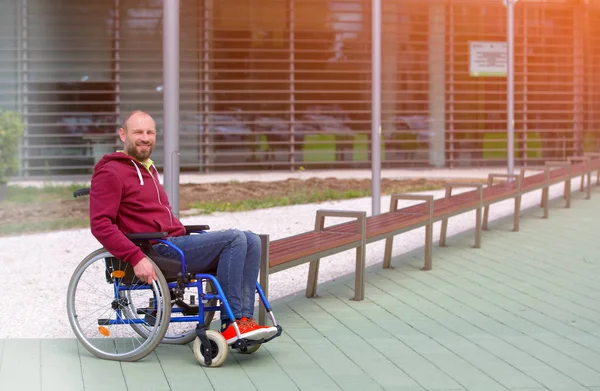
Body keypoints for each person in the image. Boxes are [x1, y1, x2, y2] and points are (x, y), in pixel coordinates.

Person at [89, 110, 277, 344]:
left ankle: (244, 320)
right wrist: (135, 257)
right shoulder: (111, 172)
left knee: (251, 239)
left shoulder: (147, 168)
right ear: (122, 134)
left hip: (172, 242)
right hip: (156, 249)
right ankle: (233, 321)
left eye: (150, 132)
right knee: (235, 238)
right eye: (138, 132)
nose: (145, 137)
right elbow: (100, 224)